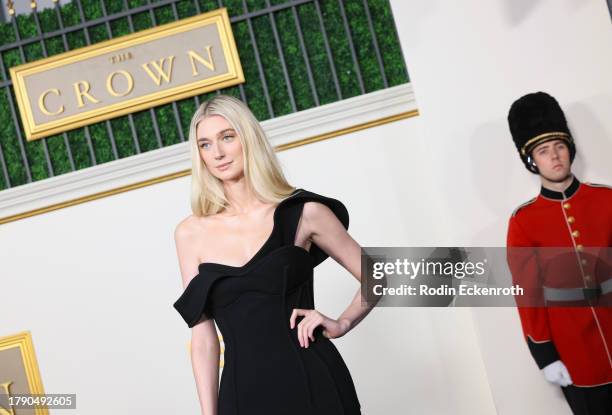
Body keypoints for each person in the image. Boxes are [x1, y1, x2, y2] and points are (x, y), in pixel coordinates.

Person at [172, 94, 371, 414]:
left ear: (247, 138)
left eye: (227, 137)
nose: (218, 152)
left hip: (315, 382)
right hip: (243, 394)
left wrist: (342, 323)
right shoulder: (190, 233)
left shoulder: (305, 212)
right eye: (205, 144)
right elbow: (203, 336)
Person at [506, 91, 612, 414]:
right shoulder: (523, 221)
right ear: (531, 160)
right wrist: (545, 356)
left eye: (560, 147)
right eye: (543, 150)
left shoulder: (606, 199)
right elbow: (529, 296)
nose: (555, 157)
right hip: (576, 348)